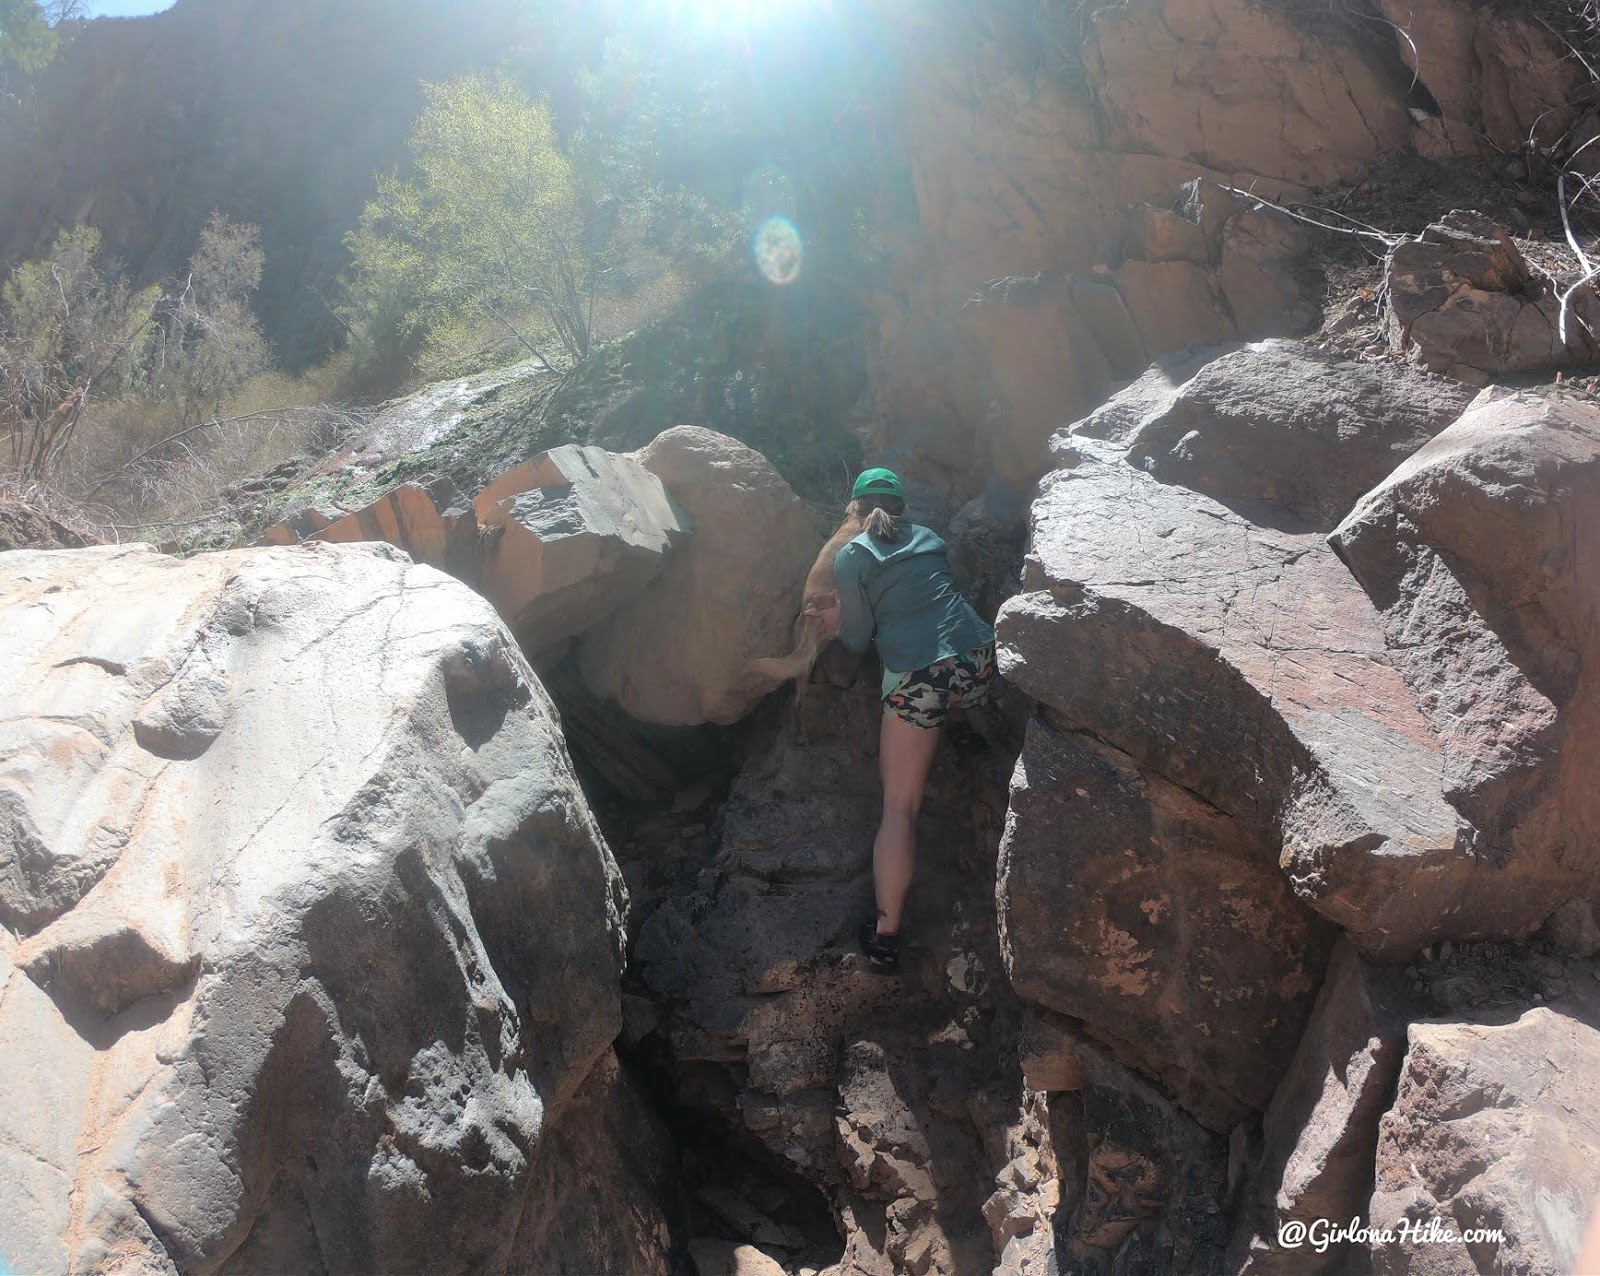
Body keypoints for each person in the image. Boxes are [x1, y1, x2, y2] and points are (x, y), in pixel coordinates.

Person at [806, 467, 996, 973]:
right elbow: (936, 597)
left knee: (899, 807)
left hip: (919, 675)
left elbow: (857, 637)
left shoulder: (852, 555)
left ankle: (886, 935)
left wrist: (836, 631)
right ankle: (969, 727)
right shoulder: (930, 538)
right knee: (954, 685)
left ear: (854, 510)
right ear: (902, 508)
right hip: (978, 656)